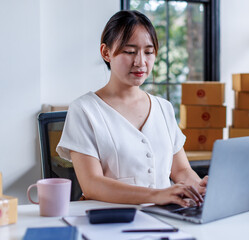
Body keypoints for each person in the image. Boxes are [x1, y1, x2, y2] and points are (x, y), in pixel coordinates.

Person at [56, 10, 207, 207]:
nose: (140, 62)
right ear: (106, 52)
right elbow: (92, 184)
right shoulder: (84, 110)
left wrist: (199, 187)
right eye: (129, 51)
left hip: (168, 218)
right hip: (113, 222)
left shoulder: (163, 108)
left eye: (149, 52)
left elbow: (181, 171)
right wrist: (157, 195)